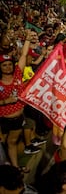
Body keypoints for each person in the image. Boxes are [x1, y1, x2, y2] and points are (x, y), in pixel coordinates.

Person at [0, 30, 34, 171]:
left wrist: (27, 40)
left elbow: (24, 55)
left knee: (12, 142)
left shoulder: (18, 74)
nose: (8, 67)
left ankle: (14, 168)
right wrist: (5, 102)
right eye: (4, 65)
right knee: (4, 144)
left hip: (18, 118)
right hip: (3, 120)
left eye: (9, 64)